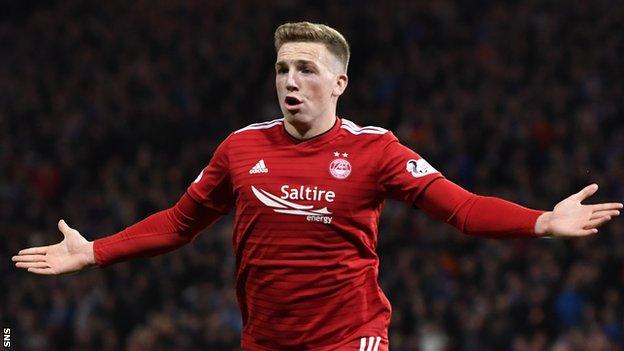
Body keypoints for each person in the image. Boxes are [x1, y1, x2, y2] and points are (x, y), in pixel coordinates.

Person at [12, 22, 622, 351]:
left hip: (349, 340)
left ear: (340, 83)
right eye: (282, 69)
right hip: (265, 341)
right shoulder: (240, 147)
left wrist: (540, 220)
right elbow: (177, 223)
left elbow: (459, 209)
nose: (290, 80)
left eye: (306, 68)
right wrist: (94, 251)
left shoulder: (375, 150)